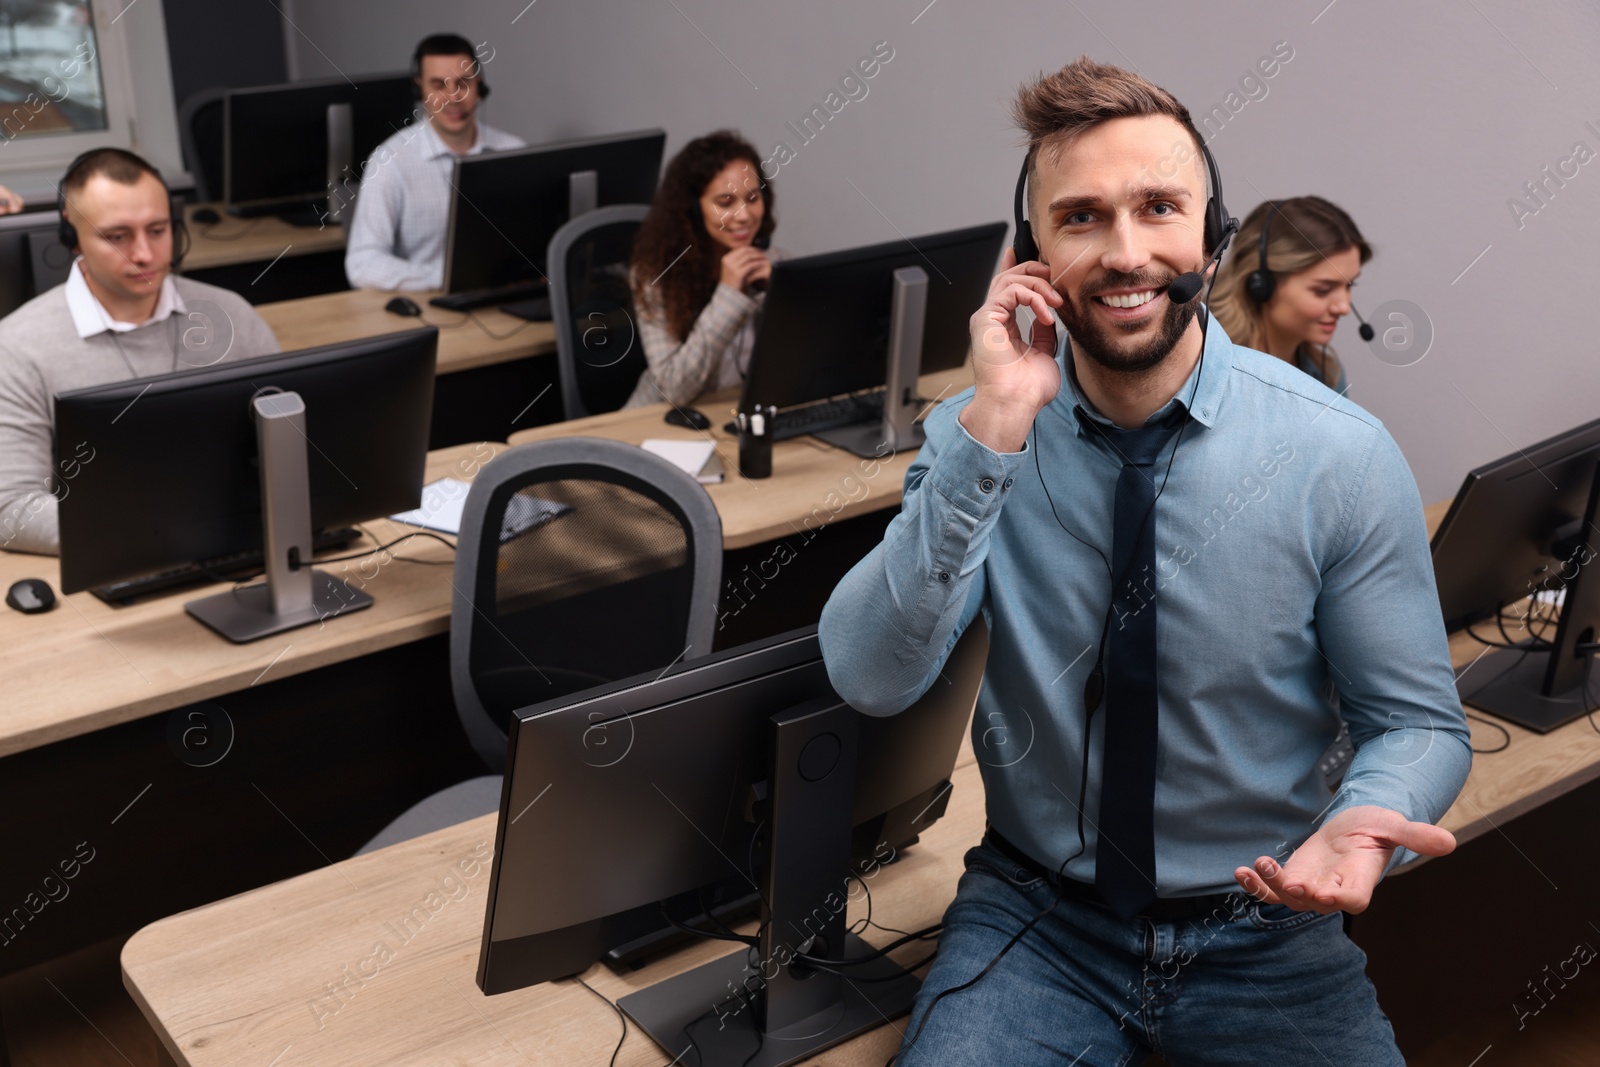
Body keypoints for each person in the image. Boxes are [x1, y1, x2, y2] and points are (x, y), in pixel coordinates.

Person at [818, 57, 1468, 1066]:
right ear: (1030, 252)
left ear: (1212, 237)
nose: (1125, 252)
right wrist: (991, 426)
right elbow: (869, 674)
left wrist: (1369, 816)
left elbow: (1418, 722)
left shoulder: (1339, 453)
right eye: (1080, 217)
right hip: (1038, 916)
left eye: (1158, 207)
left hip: (1262, 923)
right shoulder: (974, 436)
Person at [0, 148, 279, 555]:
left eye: (158, 230)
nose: (145, 254)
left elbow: (294, 449)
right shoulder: (17, 347)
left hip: (241, 546)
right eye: (117, 237)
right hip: (118, 560)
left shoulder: (230, 315)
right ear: (71, 235)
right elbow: (13, 510)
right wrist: (165, 528)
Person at [344, 33, 524, 291]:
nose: (453, 97)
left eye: (463, 83)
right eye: (439, 85)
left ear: (479, 86)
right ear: (420, 89)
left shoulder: (513, 151)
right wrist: (446, 278)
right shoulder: (390, 161)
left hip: (506, 297)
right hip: (429, 302)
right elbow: (362, 264)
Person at [623, 130, 775, 409]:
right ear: (692, 208)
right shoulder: (654, 275)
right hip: (658, 422)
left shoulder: (774, 264)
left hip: (731, 414)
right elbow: (674, 389)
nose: (743, 216)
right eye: (725, 202)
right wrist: (730, 296)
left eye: (753, 199)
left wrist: (777, 295)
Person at [1210, 196, 1371, 393]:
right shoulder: (1201, 363)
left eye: (1349, 285)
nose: (1344, 307)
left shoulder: (1328, 375)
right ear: (1260, 284)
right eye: (1323, 290)